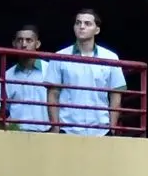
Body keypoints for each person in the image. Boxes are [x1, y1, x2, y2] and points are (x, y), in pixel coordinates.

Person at [52, 8, 126, 136]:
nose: (81, 27)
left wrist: (112, 128)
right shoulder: (59, 56)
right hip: (68, 129)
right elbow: (53, 93)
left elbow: (116, 94)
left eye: (87, 23)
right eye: (78, 23)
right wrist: (56, 127)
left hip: (101, 129)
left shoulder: (110, 57)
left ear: (97, 30)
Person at [0, 23, 59, 132]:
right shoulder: (7, 75)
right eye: (20, 40)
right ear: (14, 43)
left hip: (47, 134)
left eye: (29, 40)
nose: (24, 44)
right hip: (16, 135)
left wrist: (56, 129)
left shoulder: (50, 69)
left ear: (37, 44)